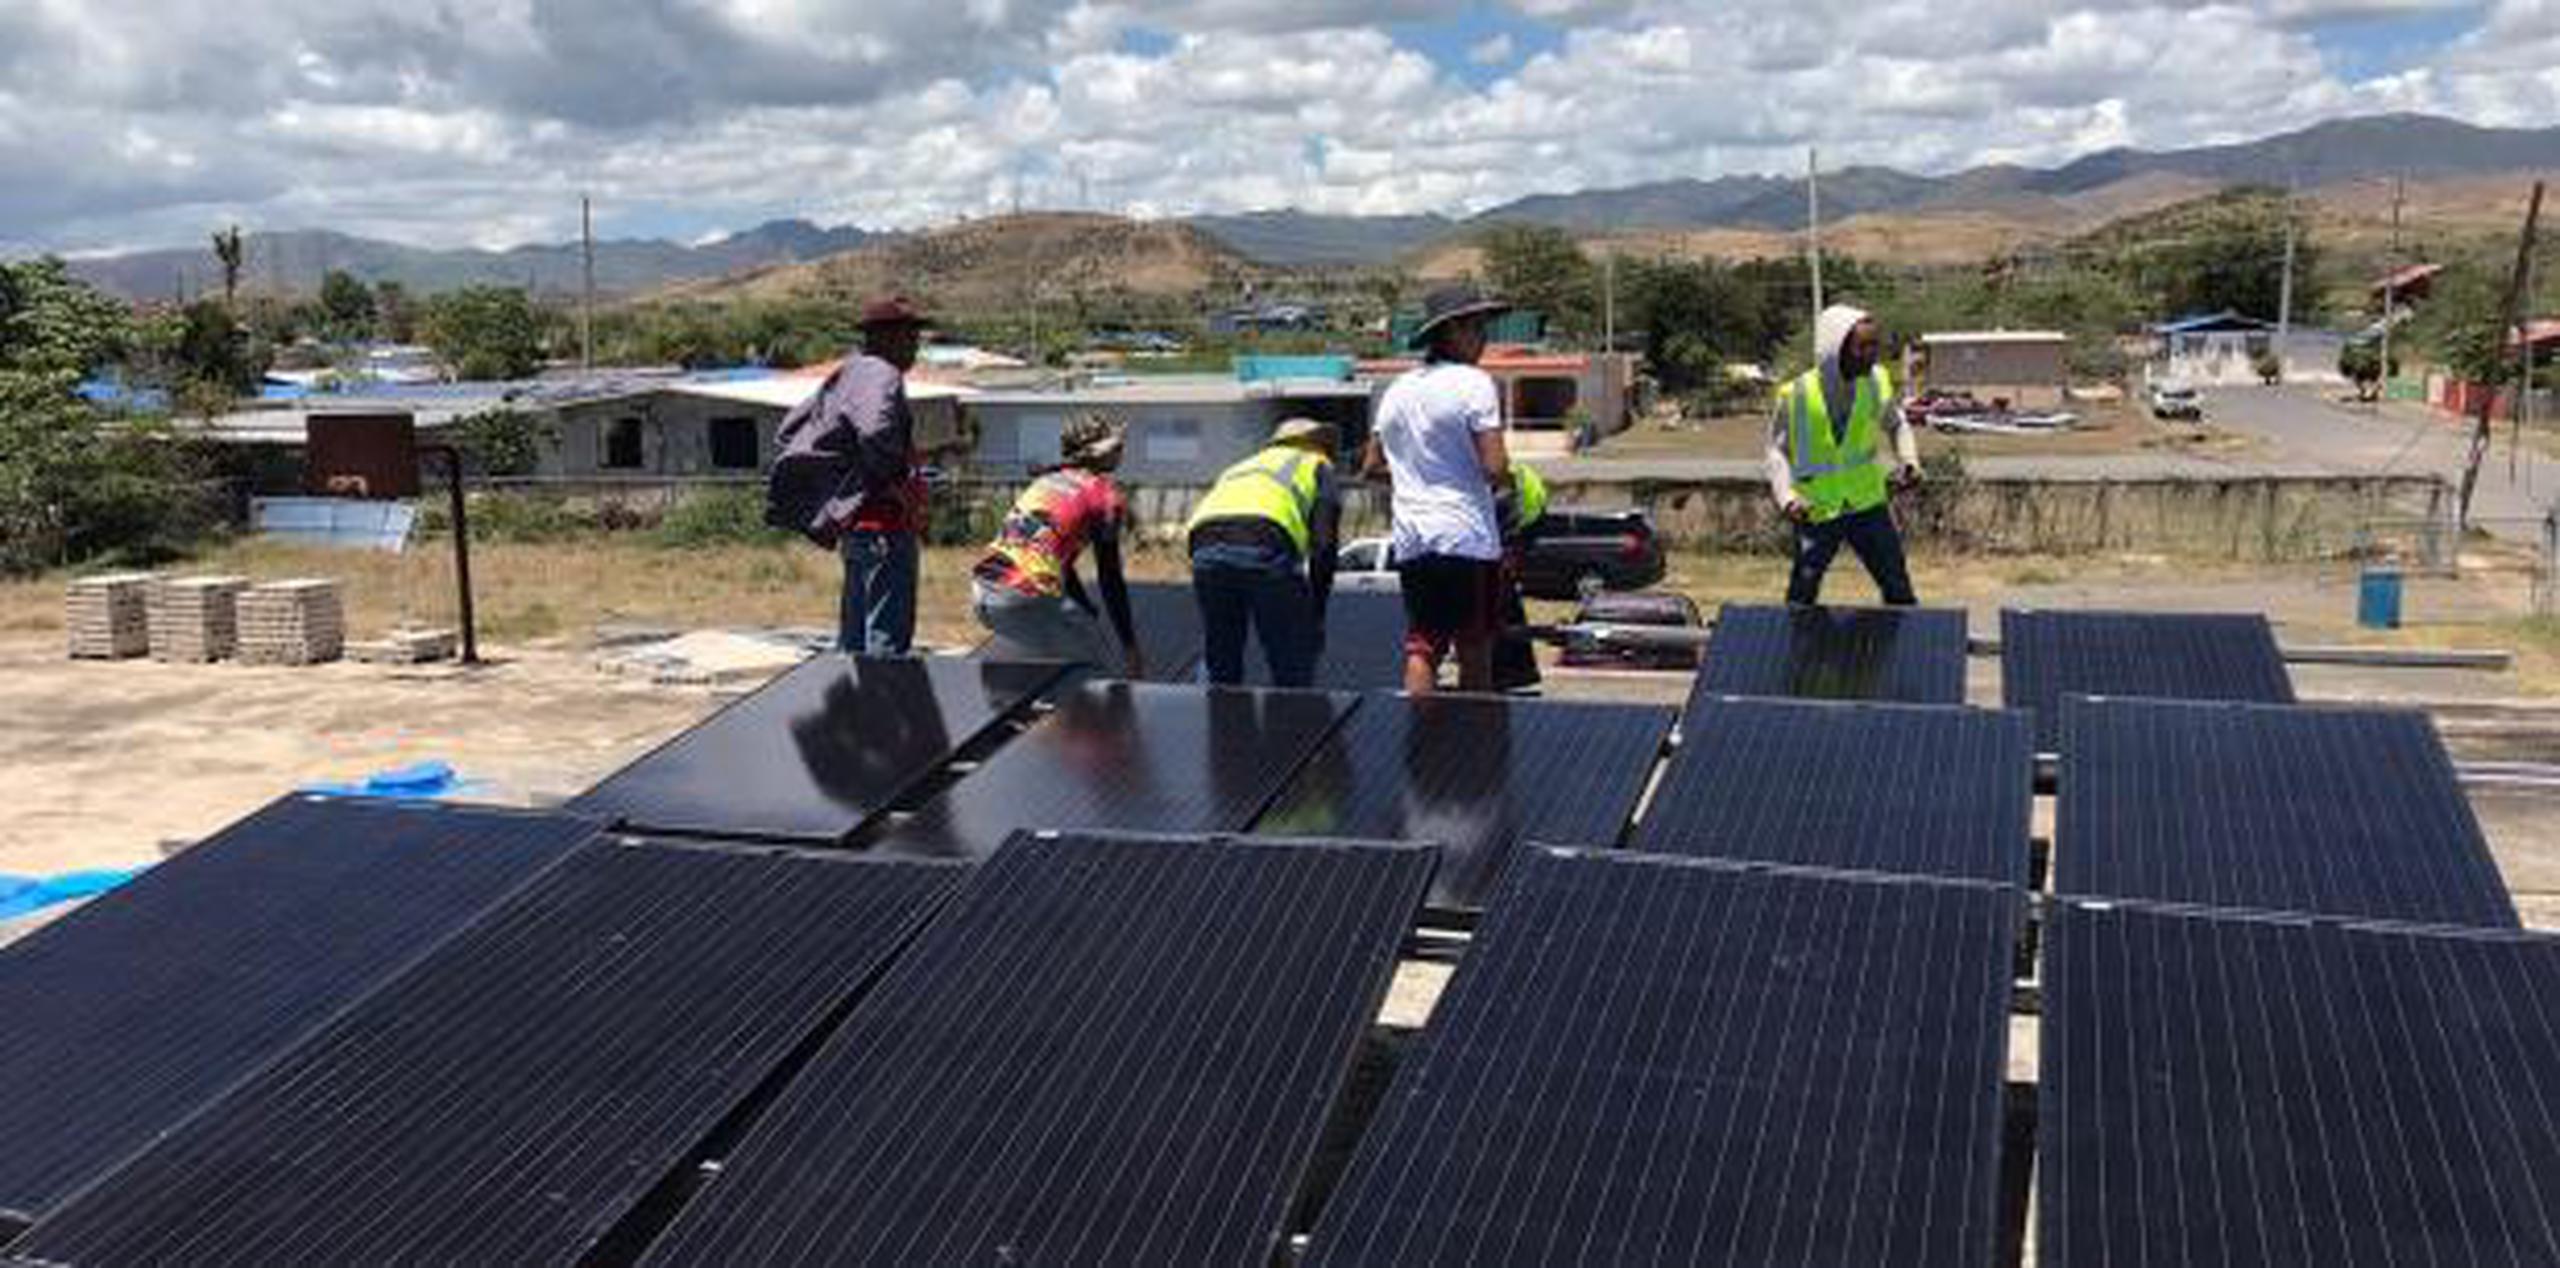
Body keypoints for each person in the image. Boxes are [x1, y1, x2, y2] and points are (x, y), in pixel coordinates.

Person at [1365, 283, 1514, 694]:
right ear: (1451, 332)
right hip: (1465, 537)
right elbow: (1495, 467)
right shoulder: (1474, 383)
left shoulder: (1397, 390)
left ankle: (1424, 745)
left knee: (1423, 645)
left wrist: (1420, 476)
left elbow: (1372, 467)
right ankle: (1474, 745)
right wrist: (1506, 481)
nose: (1485, 338)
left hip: (1412, 540)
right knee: (1475, 646)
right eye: (1477, 328)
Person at [766, 294, 933, 653]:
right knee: (886, 643)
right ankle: (883, 705)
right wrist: (891, 483)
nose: (915, 348)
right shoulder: (881, 373)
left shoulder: (848, 373)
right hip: (885, 526)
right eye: (911, 338)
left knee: (854, 639)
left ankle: (855, 706)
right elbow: (875, 431)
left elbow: (791, 427)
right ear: (888, 338)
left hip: (859, 527)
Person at [1766, 303, 1923, 606]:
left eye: (1874, 345)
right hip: (1817, 509)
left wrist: (1910, 461)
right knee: (1803, 592)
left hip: (1867, 504)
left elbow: (1897, 424)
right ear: (1835, 347)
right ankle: (1797, 651)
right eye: (1862, 346)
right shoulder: (1796, 395)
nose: (1872, 354)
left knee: (1897, 585)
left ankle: (1905, 650)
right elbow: (1777, 450)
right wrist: (1786, 497)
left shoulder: (1876, 381)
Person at [971, 412, 1144, 677]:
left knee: (1060, 665)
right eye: (1118, 447)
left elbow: (1055, 556)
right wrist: (1130, 647)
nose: (1123, 453)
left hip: (983, 591)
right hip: (1025, 593)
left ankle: (1031, 705)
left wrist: (1083, 606)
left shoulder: (1047, 481)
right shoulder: (1103, 495)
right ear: (1100, 453)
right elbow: (1110, 577)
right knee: (1099, 673)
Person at [1185, 418, 1344, 687]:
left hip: (1204, 544)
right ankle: (1293, 725)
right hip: (1263, 540)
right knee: (1291, 658)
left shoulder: (1241, 466)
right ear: (1318, 443)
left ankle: (1223, 723)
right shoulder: (1318, 464)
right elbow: (1324, 544)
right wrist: (1315, 614)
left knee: (1222, 656)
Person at [1490, 460, 1547, 691]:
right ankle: (1518, 669)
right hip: (1526, 521)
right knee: (1505, 600)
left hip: (1517, 524)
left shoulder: (1497, 475)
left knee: (1497, 602)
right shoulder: (1511, 468)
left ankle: (1508, 669)